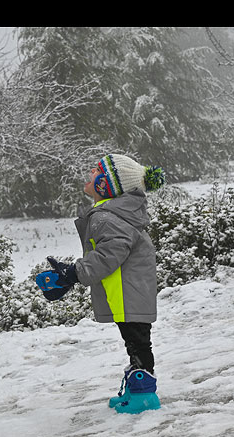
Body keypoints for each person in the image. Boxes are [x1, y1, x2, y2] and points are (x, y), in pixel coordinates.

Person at [36, 153, 165, 414]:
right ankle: (136, 389)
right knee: (135, 342)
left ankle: (145, 396)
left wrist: (73, 274)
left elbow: (109, 255)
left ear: (107, 184)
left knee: (138, 342)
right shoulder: (113, 214)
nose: (90, 171)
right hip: (127, 291)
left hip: (128, 292)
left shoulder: (109, 217)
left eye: (97, 170)